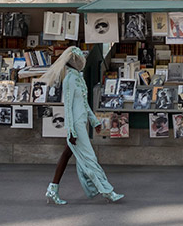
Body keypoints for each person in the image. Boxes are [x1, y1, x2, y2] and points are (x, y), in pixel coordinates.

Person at [41, 46, 123, 205]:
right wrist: (71, 130)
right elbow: (68, 107)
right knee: (89, 158)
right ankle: (107, 191)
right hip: (77, 126)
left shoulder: (77, 78)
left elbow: (84, 104)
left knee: (67, 155)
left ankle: (53, 189)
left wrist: (95, 121)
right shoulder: (70, 80)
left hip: (80, 123)